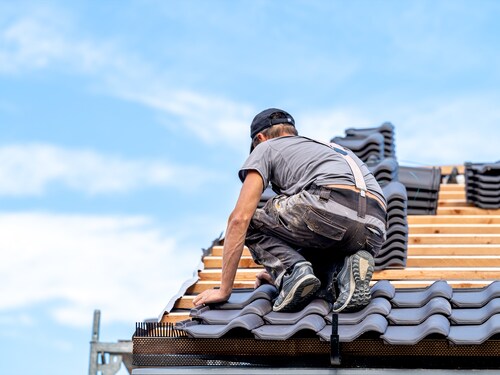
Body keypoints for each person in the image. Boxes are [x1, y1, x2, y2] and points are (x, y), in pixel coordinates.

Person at [193, 108, 387, 313]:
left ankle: (294, 272)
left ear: (260, 138)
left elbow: (239, 219)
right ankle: (344, 272)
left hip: (327, 205)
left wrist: (224, 290)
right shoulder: (326, 149)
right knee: (319, 278)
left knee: (250, 221)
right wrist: (274, 269)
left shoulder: (266, 148)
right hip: (374, 228)